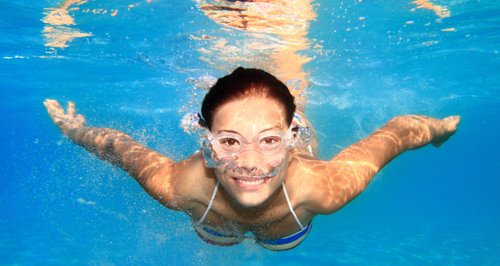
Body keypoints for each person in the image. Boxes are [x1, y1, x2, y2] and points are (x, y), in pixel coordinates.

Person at [44, 67, 460, 251]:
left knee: (272, 243)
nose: (249, 162)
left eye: (269, 140)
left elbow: (398, 134)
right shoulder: (178, 187)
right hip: (214, 220)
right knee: (216, 236)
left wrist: (438, 130)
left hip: (286, 228)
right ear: (207, 142)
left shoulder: (322, 189)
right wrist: (74, 130)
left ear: (291, 137)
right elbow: (118, 148)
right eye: (228, 141)